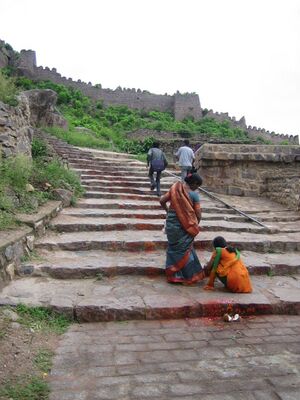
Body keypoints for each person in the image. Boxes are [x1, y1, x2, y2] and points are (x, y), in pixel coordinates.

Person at [159, 173, 205, 284]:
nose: (197, 188)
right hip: (185, 227)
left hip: (171, 225)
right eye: (197, 186)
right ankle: (187, 275)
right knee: (185, 249)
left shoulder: (174, 189)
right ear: (194, 183)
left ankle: (173, 274)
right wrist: (194, 224)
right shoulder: (193, 195)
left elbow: (162, 201)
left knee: (173, 248)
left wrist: (169, 212)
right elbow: (198, 214)